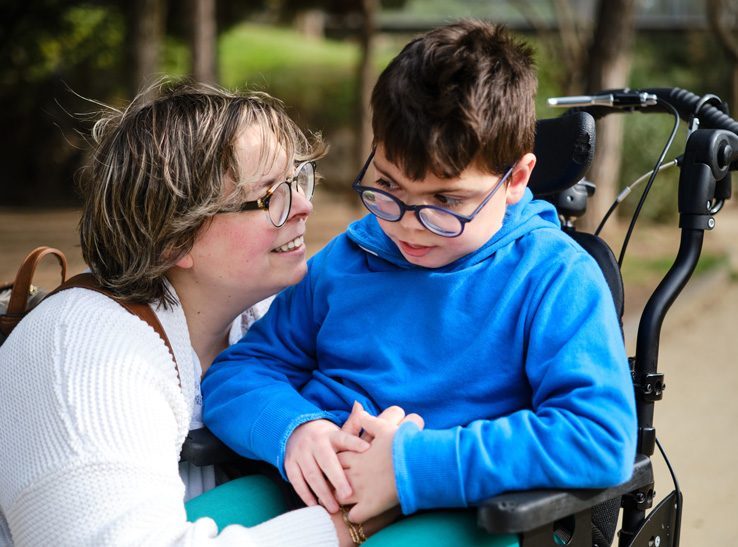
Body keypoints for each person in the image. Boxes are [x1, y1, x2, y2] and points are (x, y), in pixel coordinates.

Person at [202, 19, 637, 545]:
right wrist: (295, 428)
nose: (408, 221)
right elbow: (241, 370)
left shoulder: (555, 277)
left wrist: (409, 466)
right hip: (320, 480)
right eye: (387, 184)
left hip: (465, 507)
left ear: (517, 179)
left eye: (447, 201)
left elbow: (599, 437)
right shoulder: (348, 258)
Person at [0, 81, 404, 546]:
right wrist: (347, 525)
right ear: (175, 238)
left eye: (297, 180)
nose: (304, 207)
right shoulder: (85, 354)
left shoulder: (266, 314)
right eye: (268, 195)